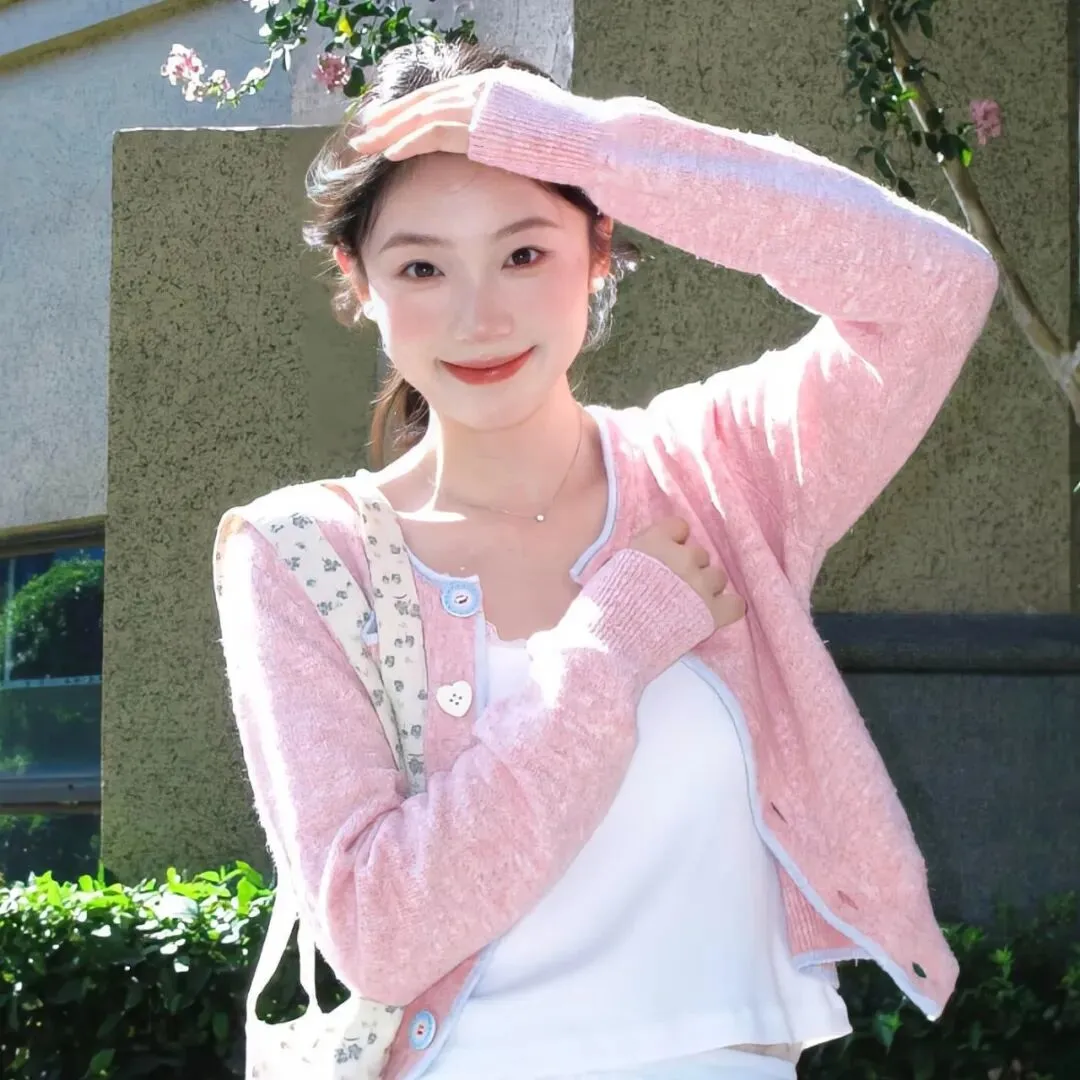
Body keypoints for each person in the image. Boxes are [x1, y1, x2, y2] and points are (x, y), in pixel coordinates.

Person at [212, 36, 998, 1080]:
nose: (479, 315)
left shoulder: (721, 475)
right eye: (422, 267)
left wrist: (587, 144)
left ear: (599, 247)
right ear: (361, 285)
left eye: (524, 253)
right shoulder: (306, 557)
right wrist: (608, 649)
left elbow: (940, 285)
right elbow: (379, 933)